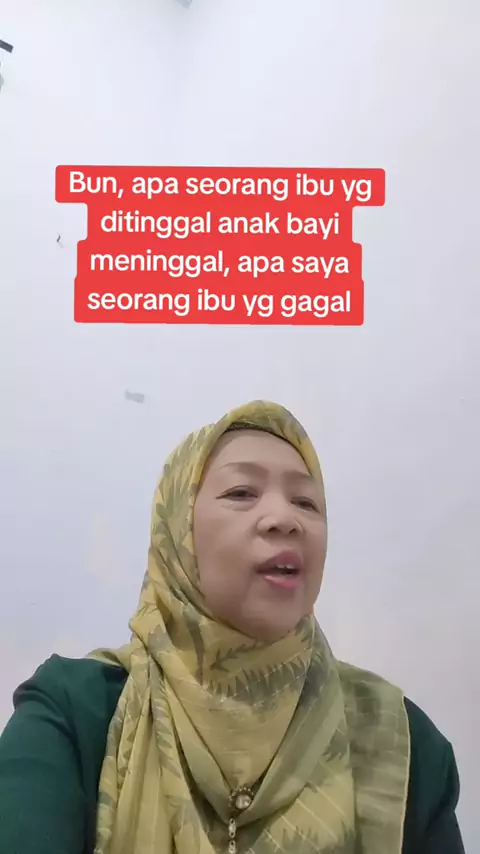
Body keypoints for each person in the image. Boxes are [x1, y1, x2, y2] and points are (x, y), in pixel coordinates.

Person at [0, 400, 465, 854]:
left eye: (307, 502)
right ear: (178, 531)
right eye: (242, 493)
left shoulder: (402, 744)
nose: (285, 519)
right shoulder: (75, 712)